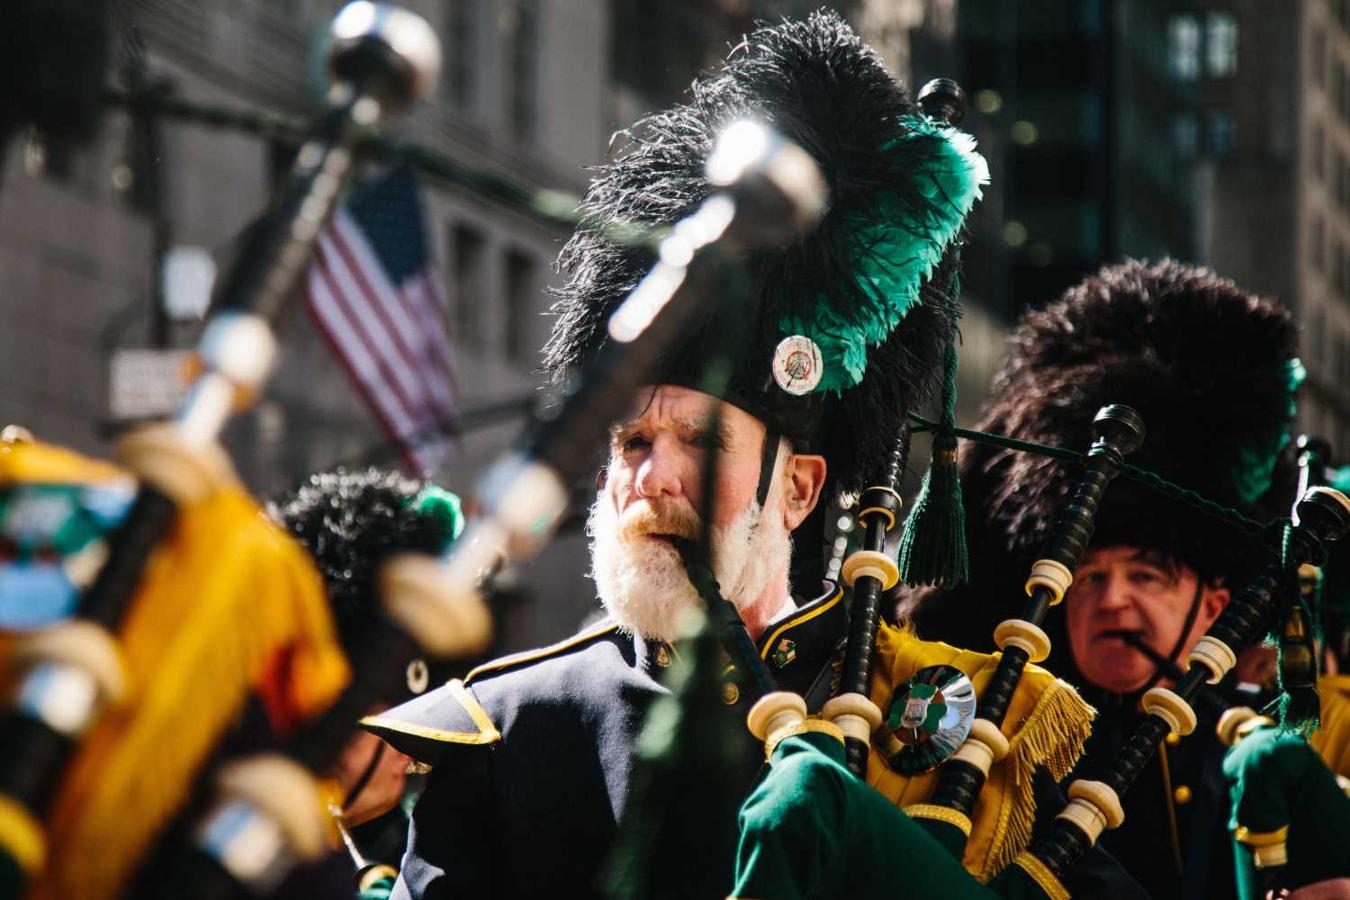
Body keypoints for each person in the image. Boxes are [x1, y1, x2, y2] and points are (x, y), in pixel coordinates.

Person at [364, 12, 1138, 899]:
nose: (653, 478)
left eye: (698, 443)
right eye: (632, 443)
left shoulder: (943, 717)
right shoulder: (505, 730)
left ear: (801, 489)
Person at [904, 258, 1304, 900]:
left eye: (1147, 575)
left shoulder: (1261, 757)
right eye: (1087, 578)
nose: (1112, 597)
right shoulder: (1008, 745)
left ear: (1215, 607)